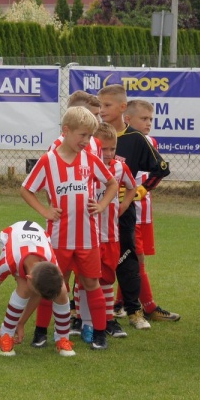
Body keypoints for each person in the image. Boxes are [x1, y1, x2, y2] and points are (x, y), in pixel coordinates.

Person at [21, 107, 118, 350]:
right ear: (66, 131)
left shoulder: (91, 160)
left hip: (87, 238)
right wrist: (45, 211)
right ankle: (41, 331)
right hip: (58, 238)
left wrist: (102, 204)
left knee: (91, 283)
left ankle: (99, 333)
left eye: (89, 137)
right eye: (82, 135)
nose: (86, 142)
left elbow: (112, 183)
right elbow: (26, 189)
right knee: (53, 285)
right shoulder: (48, 161)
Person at [97, 85, 171, 330]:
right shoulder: (93, 136)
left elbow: (161, 169)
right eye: (100, 105)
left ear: (121, 108)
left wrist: (136, 193)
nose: (101, 109)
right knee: (94, 261)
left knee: (128, 259)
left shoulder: (135, 139)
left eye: (107, 105)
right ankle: (87, 312)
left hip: (123, 212)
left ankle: (134, 311)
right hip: (95, 212)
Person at [70, 122, 135, 342]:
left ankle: (107, 320)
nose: (107, 154)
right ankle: (80, 319)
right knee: (82, 279)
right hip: (87, 235)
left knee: (106, 279)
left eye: (112, 149)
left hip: (109, 236)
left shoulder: (119, 168)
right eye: (103, 149)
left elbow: (132, 187)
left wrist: (124, 206)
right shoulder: (83, 167)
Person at [123, 99, 180, 322]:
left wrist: (144, 190)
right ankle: (148, 306)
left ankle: (121, 303)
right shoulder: (119, 140)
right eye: (143, 119)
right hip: (127, 210)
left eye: (151, 119)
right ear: (128, 119)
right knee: (135, 259)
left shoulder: (150, 141)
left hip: (143, 210)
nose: (148, 123)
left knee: (135, 258)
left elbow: (157, 174)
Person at [0, 221, 74, 357]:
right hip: (10, 235)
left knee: (61, 290)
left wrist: (21, 323)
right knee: (24, 288)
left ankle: (63, 338)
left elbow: (40, 290)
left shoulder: (51, 262)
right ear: (29, 277)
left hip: (40, 239)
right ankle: (6, 334)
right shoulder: (8, 262)